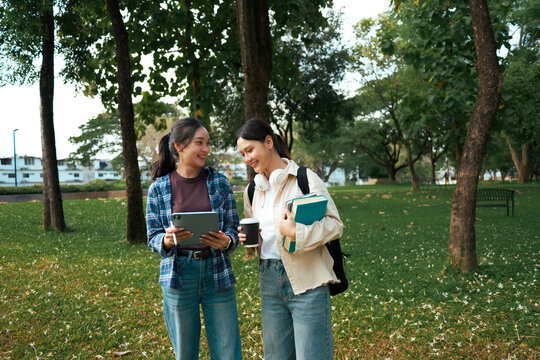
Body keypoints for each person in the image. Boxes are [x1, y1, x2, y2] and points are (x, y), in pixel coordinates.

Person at [236, 118, 344, 360]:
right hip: (269, 281)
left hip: (308, 281)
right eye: (242, 154)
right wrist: (252, 243)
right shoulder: (253, 189)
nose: (247, 159)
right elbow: (261, 237)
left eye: (250, 150)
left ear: (268, 142)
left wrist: (297, 232)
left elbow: (335, 225)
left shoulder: (305, 179)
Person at [146, 117, 242, 360]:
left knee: (228, 352)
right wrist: (166, 241)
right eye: (200, 143)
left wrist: (227, 241)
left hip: (217, 271)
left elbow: (233, 227)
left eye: (208, 143)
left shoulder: (220, 182)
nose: (206, 149)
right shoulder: (159, 188)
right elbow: (153, 236)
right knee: (185, 353)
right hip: (179, 273)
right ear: (179, 146)